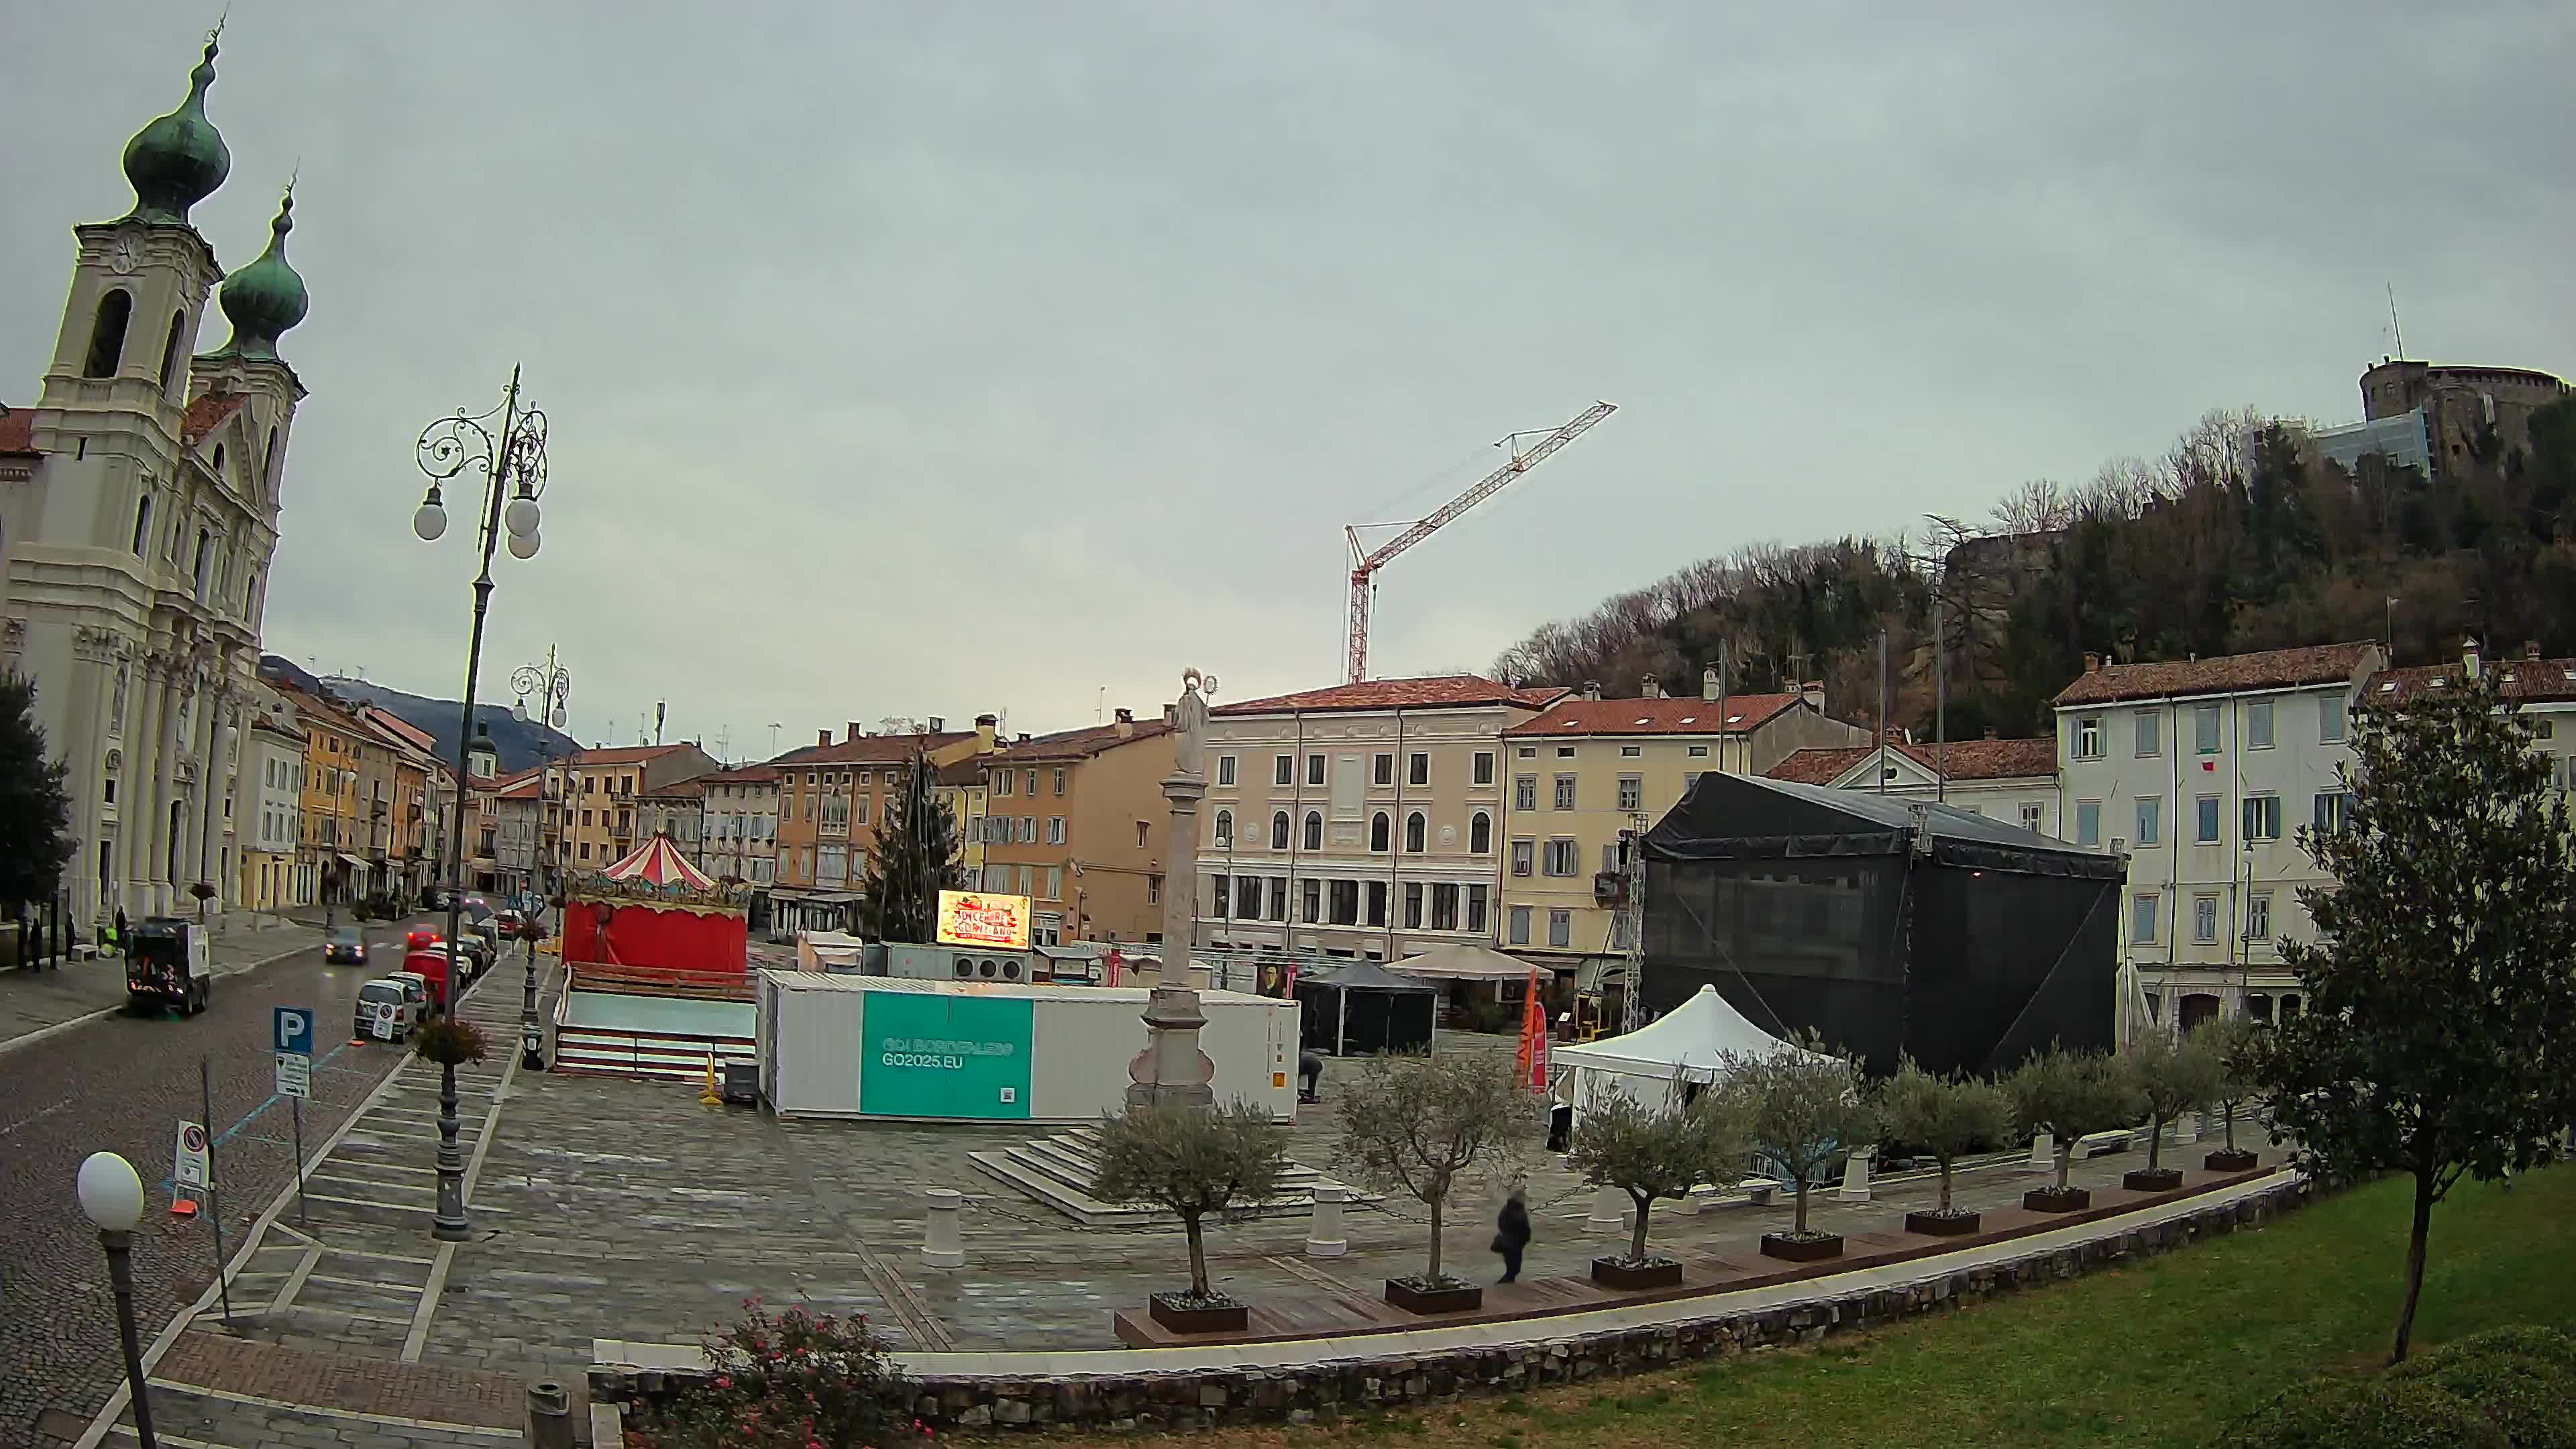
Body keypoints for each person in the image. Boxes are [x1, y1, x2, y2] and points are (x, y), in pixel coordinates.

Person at [1492, 1187, 1532, 1284]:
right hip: (1515, 1240)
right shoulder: (1518, 1210)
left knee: (1510, 1261)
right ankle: (1508, 1279)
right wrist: (1526, 1237)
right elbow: (1524, 1226)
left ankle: (1509, 1279)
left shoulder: (1507, 1208)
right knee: (1514, 1264)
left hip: (1509, 1239)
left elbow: (1501, 1223)